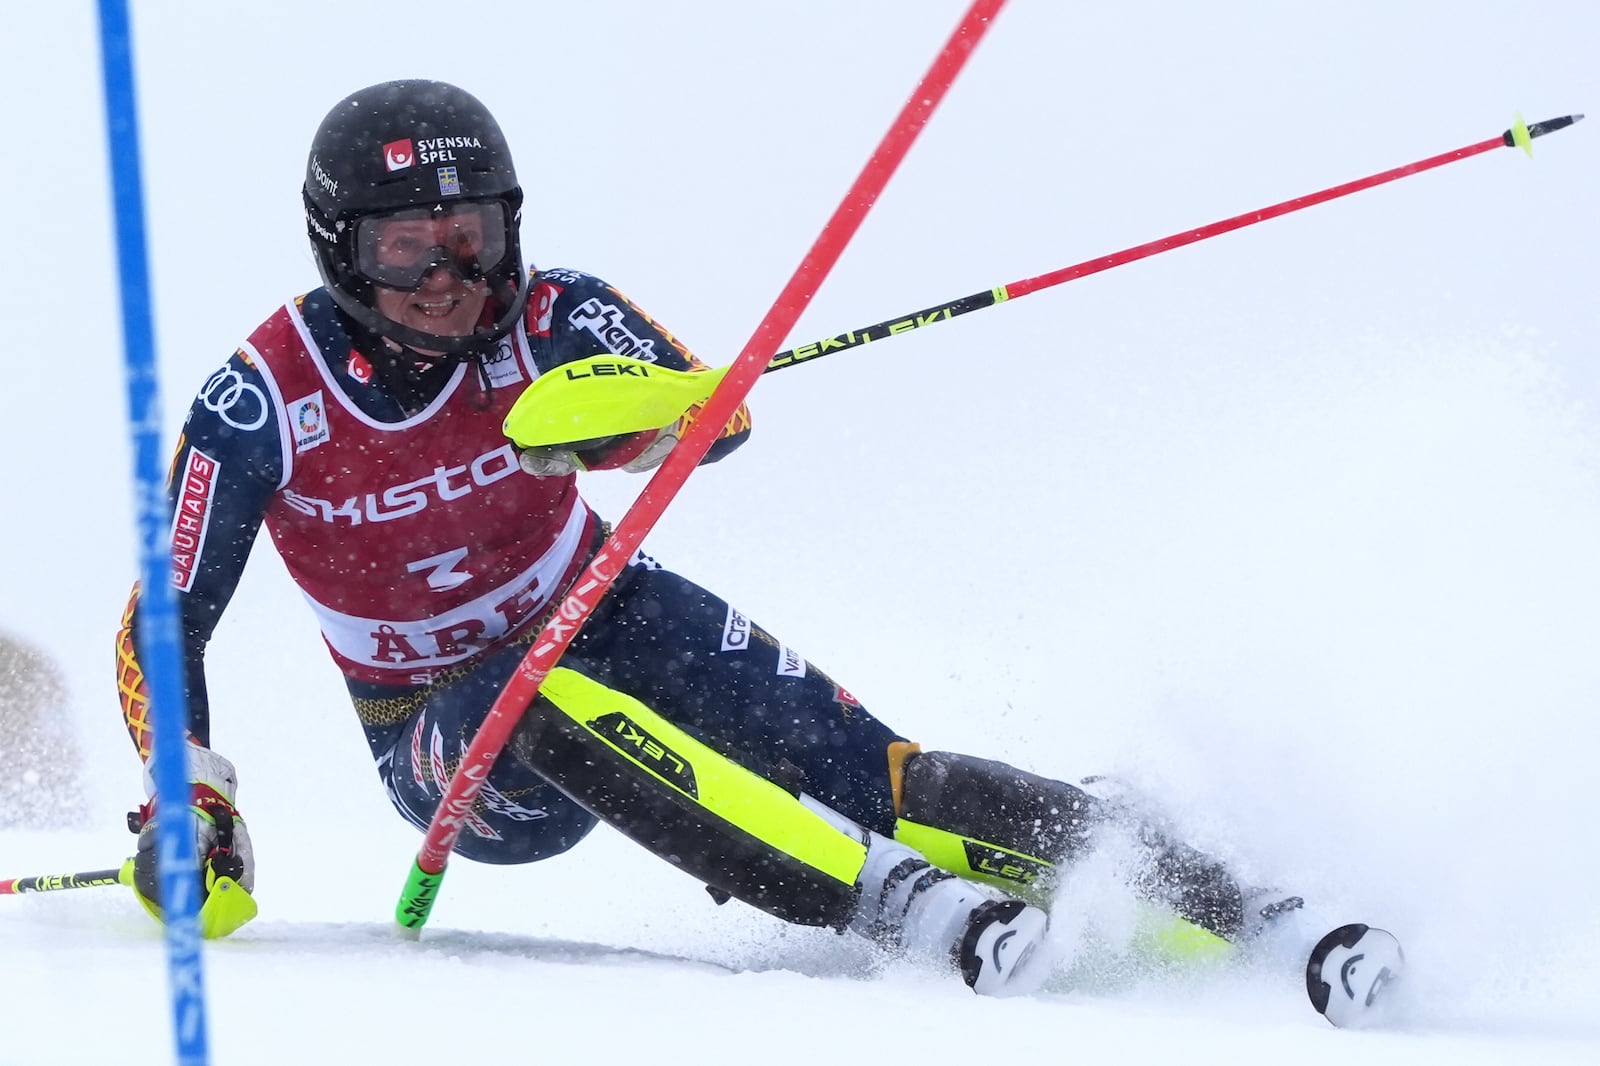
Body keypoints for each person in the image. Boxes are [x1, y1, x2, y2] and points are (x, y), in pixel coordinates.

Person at [114, 79, 1309, 996]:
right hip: (441, 726)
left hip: (607, 607)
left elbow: (718, 411)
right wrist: (193, 793)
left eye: (469, 232)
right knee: (521, 696)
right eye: (403, 247)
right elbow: (158, 622)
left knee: (877, 771)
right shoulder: (262, 398)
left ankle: (1201, 886)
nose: (445, 276)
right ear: (341, 247)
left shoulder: (553, 311)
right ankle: (892, 904)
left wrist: (611, 432)